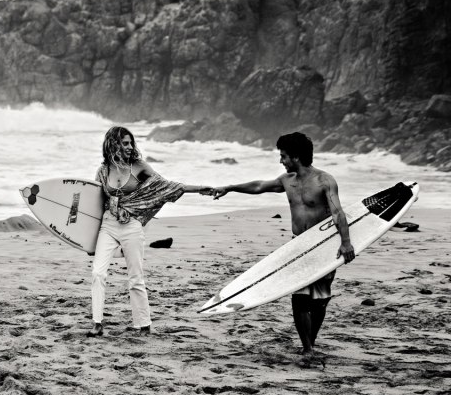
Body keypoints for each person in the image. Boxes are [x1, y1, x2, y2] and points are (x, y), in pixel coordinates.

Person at [210, 131, 354, 356]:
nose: (281, 161)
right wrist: (229, 187)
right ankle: (307, 348)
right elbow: (259, 186)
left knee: (320, 301)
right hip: (298, 246)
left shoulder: (324, 180)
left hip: (324, 245)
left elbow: (338, 213)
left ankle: (311, 342)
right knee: (299, 299)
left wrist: (346, 243)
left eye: (284, 156)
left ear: (296, 156)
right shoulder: (287, 181)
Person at [88, 126, 212, 338]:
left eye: (130, 143)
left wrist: (201, 188)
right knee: (97, 273)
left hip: (132, 226)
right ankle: (97, 323)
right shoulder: (103, 171)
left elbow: (167, 186)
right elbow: (95, 205)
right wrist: (88, 241)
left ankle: (143, 324)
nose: (129, 147)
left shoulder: (139, 167)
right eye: (124, 143)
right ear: (113, 144)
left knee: (135, 276)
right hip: (108, 225)